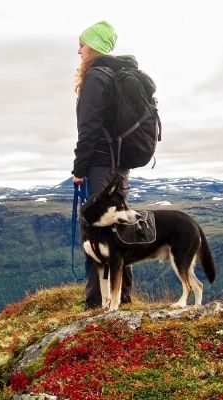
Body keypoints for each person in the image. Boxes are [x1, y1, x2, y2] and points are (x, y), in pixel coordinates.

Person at [72, 21, 134, 310]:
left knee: (96, 231)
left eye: (82, 44)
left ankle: (95, 302)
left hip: (99, 164)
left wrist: (79, 169)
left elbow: (89, 129)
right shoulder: (115, 75)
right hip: (119, 165)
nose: (78, 50)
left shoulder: (96, 77)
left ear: (94, 46)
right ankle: (122, 297)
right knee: (118, 227)